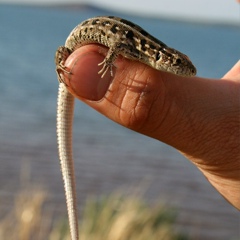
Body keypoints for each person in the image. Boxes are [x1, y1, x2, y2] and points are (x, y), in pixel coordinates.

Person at [59, 45, 240, 210]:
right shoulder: (137, 49)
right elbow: (120, 45)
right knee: (62, 54)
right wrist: (108, 61)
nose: (185, 70)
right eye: (178, 64)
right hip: (83, 41)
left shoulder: (144, 52)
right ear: (163, 58)